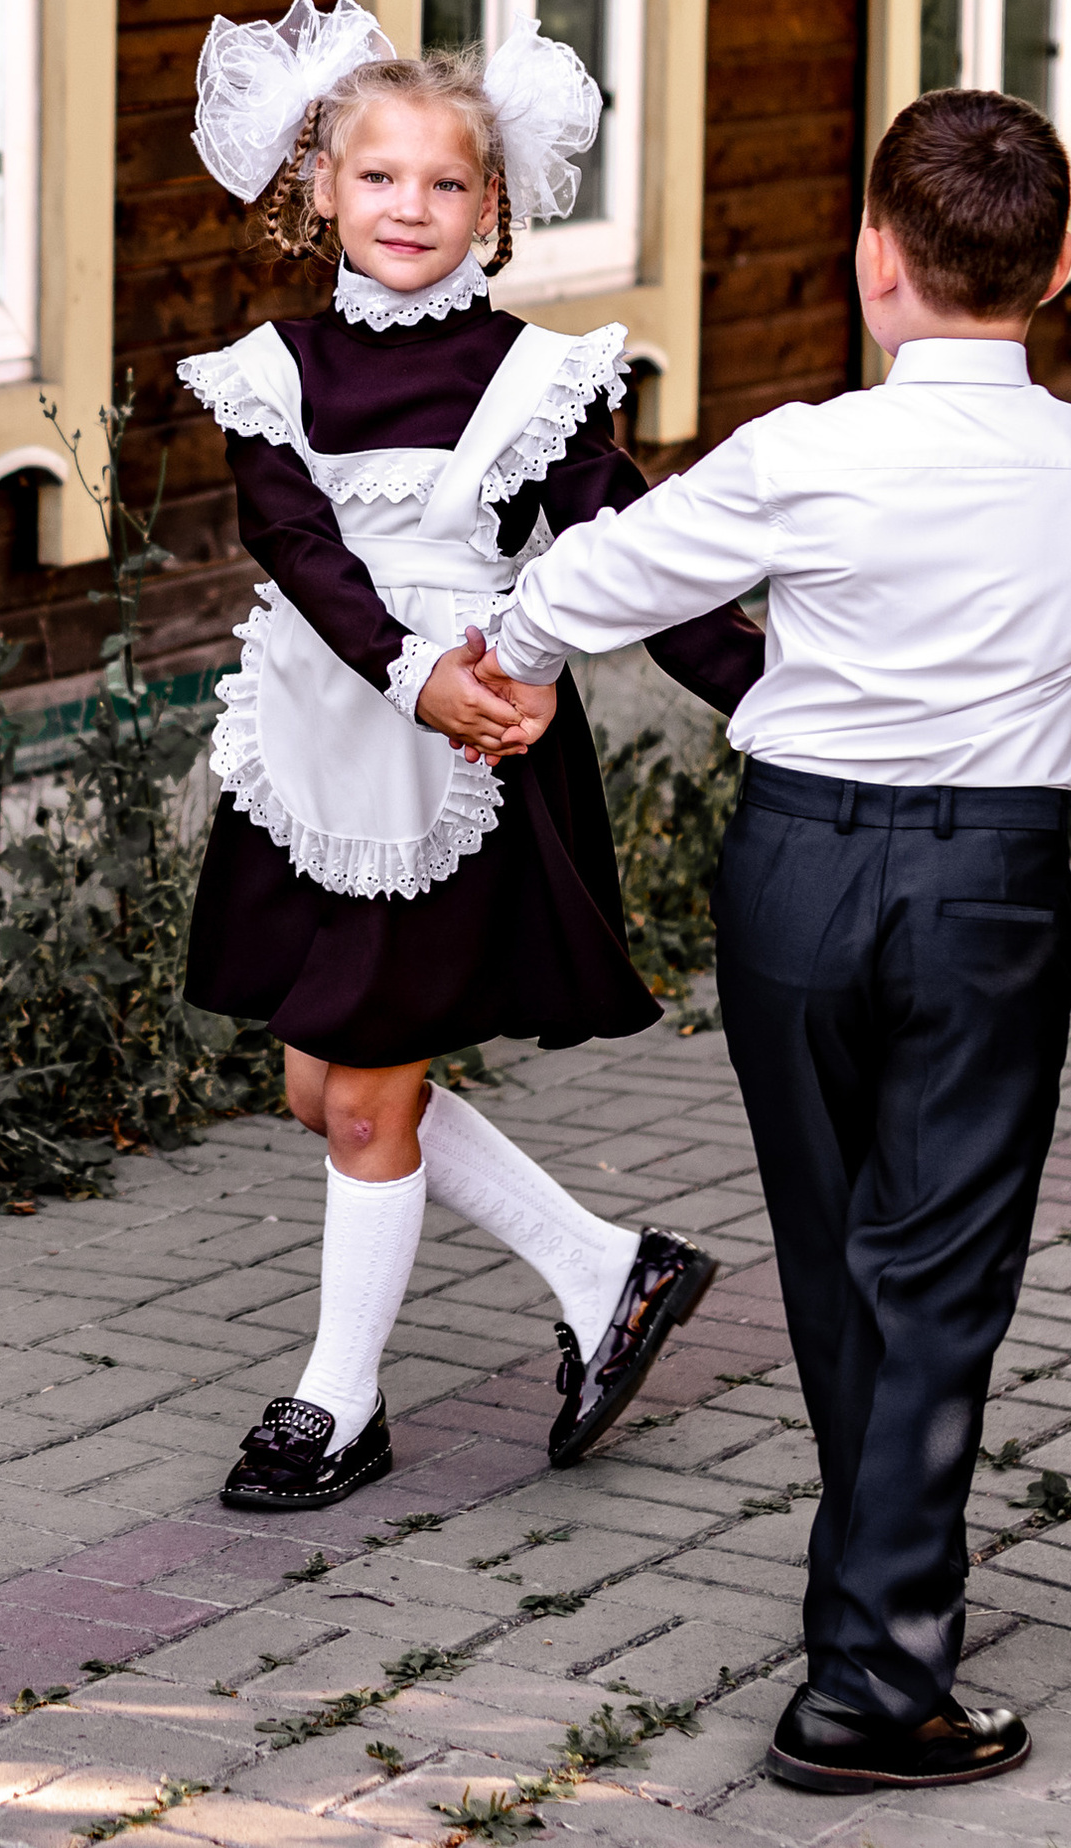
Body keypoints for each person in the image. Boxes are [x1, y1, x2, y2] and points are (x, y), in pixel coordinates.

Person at [459, 87, 1071, 1794]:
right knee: (937, 1276)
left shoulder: (803, 452)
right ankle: (871, 1683)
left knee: (839, 1259)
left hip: (794, 880)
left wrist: (500, 657)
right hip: (995, 892)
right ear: (1065, 265)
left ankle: (873, 1613)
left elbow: (592, 584)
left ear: (873, 259)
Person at [179, 0, 765, 1517]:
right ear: (321, 187)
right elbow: (295, 547)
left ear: (494, 204)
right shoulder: (270, 371)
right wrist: (407, 669)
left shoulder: (540, 378)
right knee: (325, 1088)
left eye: (446, 184)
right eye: (378, 178)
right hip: (326, 743)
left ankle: (338, 1401)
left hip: (470, 764)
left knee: (370, 1103)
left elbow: (628, 551)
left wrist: (768, 698)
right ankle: (607, 1270)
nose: (410, 208)